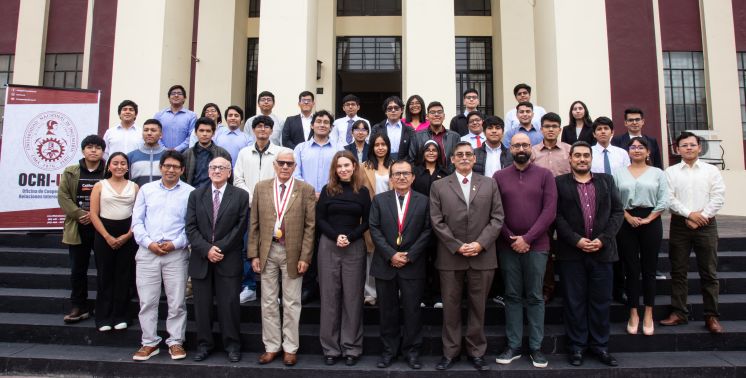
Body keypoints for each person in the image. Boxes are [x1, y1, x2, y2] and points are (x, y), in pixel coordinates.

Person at [430, 142, 504, 371]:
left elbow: (497, 218)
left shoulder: (489, 184)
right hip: (451, 256)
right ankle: (450, 352)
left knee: (478, 307)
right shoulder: (439, 185)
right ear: (452, 159)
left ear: (475, 159)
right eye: (459, 155)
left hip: (482, 256)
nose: (464, 158)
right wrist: (457, 245)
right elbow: (436, 220)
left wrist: (480, 244)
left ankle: (476, 351)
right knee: (450, 307)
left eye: (468, 154)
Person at [555, 141, 623, 367]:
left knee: (601, 301)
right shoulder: (559, 183)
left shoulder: (606, 181)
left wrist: (602, 240)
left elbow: (617, 212)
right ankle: (576, 347)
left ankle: (600, 346)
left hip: (602, 252)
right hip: (572, 253)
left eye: (586, 155)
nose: (582, 159)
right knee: (574, 302)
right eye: (578, 156)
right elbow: (557, 217)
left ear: (591, 159)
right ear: (570, 159)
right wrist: (576, 240)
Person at [493, 133, 557, 369]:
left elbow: (549, 211)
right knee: (511, 296)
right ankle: (514, 345)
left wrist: (527, 238)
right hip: (507, 246)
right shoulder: (499, 176)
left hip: (537, 245)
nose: (521, 148)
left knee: (535, 296)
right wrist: (512, 239)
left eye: (525, 145)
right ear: (510, 149)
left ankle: (536, 347)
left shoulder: (545, 175)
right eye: (516, 145)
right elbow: (495, 212)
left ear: (531, 148)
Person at [249, 150, 316, 366]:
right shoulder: (261, 188)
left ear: (295, 167)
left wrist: (305, 256)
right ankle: (271, 346)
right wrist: (253, 254)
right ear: (275, 165)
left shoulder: (305, 190)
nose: (285, 167)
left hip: (293, 252)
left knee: (292, 302)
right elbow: (254, 223)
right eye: (281, 163)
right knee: (268, 302)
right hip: (267, 251)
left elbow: (310, 226)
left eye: (289, 164)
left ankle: (290, 348)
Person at [131, 151, 194, 361]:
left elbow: (191, 226)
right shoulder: (146, 190)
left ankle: (175, 341)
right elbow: (137, 222)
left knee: (177, 302)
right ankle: (149, 342)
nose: (171, 170)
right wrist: (149, 243)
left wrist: (175, 243)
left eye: (176, 167)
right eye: (167, 166)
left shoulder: (189, 192)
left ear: (182, 170)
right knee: (148, 301)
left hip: (176, 253)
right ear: (160, 167)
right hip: (148, 252)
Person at [369, 160, 432, 370]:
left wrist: (409, 255)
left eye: (406, 173)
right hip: (386, 264)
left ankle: (412, 352)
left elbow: (427, 230)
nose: (402, 177)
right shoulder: (379, 200)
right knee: (387, 311)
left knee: (412, 311)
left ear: (413, 177)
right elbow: (374, 229)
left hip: (412, 264)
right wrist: (391, 254)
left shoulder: (424, 201)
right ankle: (389, 351)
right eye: (397, 174)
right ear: (391, 178)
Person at [661, 131, 726, 334]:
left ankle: (711, 316)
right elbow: (668, 198)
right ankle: (679, 312)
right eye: (684, 145)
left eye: (692, 145)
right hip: (680, 224)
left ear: (699, 147)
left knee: (709, 272)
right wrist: (689, 214)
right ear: (677, 149)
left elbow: (718, 196)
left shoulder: (711, 171)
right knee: (678, 270)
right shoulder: (670, 172)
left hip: (706, 224)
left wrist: (701, 216)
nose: (688, 148)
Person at [186, 156, 249, 363]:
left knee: (229, 305)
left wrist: (218, 248)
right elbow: (190, 226)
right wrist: (206, 249)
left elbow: (240, 227)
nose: (217, 171)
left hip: (227, 258)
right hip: (201, 258)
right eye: (213, 167)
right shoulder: (196, 194)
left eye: (222, 168)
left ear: (229, 172)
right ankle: (204, 345)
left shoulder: (240, 195)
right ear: (208, 171)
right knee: (202, 306)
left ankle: (232, 345)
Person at [316, 151, 371, 366]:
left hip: (354, 246)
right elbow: (320, 218)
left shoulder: (363, 192)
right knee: (330, 298)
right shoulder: (328, 191)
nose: (343, 169)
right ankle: (330, 348)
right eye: (339, 166)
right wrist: (335, 236)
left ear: (354, 166)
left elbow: (367, 221)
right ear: (335, 169)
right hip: (329, 246)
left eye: (347, 165)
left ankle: (352, 347)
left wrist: (350, 237)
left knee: (352, 299)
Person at [613, 137, 668, 336]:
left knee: (649, 269)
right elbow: (615, 199)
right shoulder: (619, 173)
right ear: (628, 151)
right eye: (633, 147)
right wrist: (627, 217)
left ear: (648, 151)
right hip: (626, 221)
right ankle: (634, 312)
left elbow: (664, 199)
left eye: (641, 147)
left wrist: (648, 219)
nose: (636, 150)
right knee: (631, 268)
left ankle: (648, 313)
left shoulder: (658, 173)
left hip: (651, 220)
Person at [234, 116, 287, 303]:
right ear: (253, 130)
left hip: (273, 208)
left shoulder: (280, 153)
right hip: (248, 207)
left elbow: (282, 178)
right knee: (248, 246)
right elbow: (238, 179)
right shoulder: (244, 153)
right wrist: (253, 199)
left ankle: (274, 290)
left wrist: (264, 200)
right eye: (259, 126)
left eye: (266, 127)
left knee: (275, 247)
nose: (262, 130)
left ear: (272, 131)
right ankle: (249, 286)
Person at [58, 135, 107, 324]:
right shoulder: (71, 171)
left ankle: (103, 305)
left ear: (103, 151)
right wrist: (79, 214)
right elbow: (63, 196)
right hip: (78, 226)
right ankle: (79, 305)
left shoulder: (108, 171)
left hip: (101, 226)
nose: (93, 150)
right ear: (83, 150)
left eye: (97, 147)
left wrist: (96, 216)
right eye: (89, 147)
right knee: (78, 269)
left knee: (104, 268)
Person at [88, 152, 139, 332]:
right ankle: (103, 316)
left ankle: (121, 315)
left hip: (127, 233)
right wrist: (107, 236)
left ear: (127, 167)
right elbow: (93, 213)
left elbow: (138, 214)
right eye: (115, 163)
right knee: (105, 275)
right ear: (109, 166)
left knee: (124, 275)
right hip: (104, 233)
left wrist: (127, 235)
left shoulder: (134, 187)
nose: (119, 166)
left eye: (123, 163)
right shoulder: (99, 186)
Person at [531, 112, 571, 303]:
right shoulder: (532, 152)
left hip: (566, 207)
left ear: (560, 129)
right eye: (547, 126)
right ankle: (547, 287)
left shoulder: (569, 151)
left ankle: (569, 286)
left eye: (554, 126)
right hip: (541, 208)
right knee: (544, 249)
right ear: (541, 129)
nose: (551, 129)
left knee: (568, 246)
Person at [590, 116, 630, 303]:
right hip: (595, 206)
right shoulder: (588, 152)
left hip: (617, 205)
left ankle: (620, 288)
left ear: (612, 132)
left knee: (619, 248)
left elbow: (627, 178)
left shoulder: (622, 153)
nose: (603, 132)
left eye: (606, 129)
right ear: (594, 133)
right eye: (599, 129)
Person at [411, 141, 450, 308]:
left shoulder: (446, 173)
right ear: (422, 152)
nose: (431, 152)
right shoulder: (415, 173)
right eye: (428, 150)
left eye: (435, 150)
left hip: (440, 223)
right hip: (419, 223)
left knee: (438, 261)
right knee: (420, 261)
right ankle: (421, 295)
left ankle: (437, 296)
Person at [361, 133, 394, 306]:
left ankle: (391, 291)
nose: (380, 148)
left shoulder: (395, 165)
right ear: (372, 147)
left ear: (388, 146)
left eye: (383, 144)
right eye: (376, 145)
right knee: (371, 255)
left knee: (391, 252)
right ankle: (370, 293)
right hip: (371, 215)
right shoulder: (364, 166)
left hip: (392, 215)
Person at [293, 110, 343, 195]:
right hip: (304, 196)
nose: (322, 125)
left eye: (326, 122)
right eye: (318, 121)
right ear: (312, 125)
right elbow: (295, 174)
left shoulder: (339, 149)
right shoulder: (300, 148)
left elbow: (342, 173)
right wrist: (309, 192)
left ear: (331, 127)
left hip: (332, 196)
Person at [408, 101, 461, 171]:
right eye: (432, 112)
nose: (436, 115)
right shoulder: (417, 137)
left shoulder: (454, 137)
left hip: (449, 178)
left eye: (439, 112)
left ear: (444, 116)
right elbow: (411, 160)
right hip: (424, 178)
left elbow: (458, 159)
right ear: (427, 116)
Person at [181, 117, 231, 188]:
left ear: (213, 133)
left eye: (208, 131)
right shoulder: (187, 154)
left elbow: (229, 178)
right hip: (192, 194)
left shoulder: (223, 154)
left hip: (215, 195)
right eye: (201, 130)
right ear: (195, 132)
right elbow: (182, 179)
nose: (204, 134)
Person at [154, 84, 197, 152]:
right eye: (173, 93)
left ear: (184, 98)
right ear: (169, 98)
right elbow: (155, 133)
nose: (176, 95)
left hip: (183, 155)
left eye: (179, 93)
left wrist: (177, 149)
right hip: (161, 153)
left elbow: (192, 136)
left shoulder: (192, 116)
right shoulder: (159, 115)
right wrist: (164, 149)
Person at [371, 96, 414, 160]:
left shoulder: (409, 130)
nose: (393, 110)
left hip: (402, 165)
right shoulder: (376, 128)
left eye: (396, 108)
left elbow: (411, 152)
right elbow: (372, 148)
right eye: (390, 108)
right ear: (385, 111)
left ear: (402, 110)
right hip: (381, 164)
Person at [128, 119, 168, 186]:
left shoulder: (168, 156)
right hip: (138, 195)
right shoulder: (131, 156)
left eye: (153, 130)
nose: (149, 133)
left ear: (161, 134)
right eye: (146, 130)